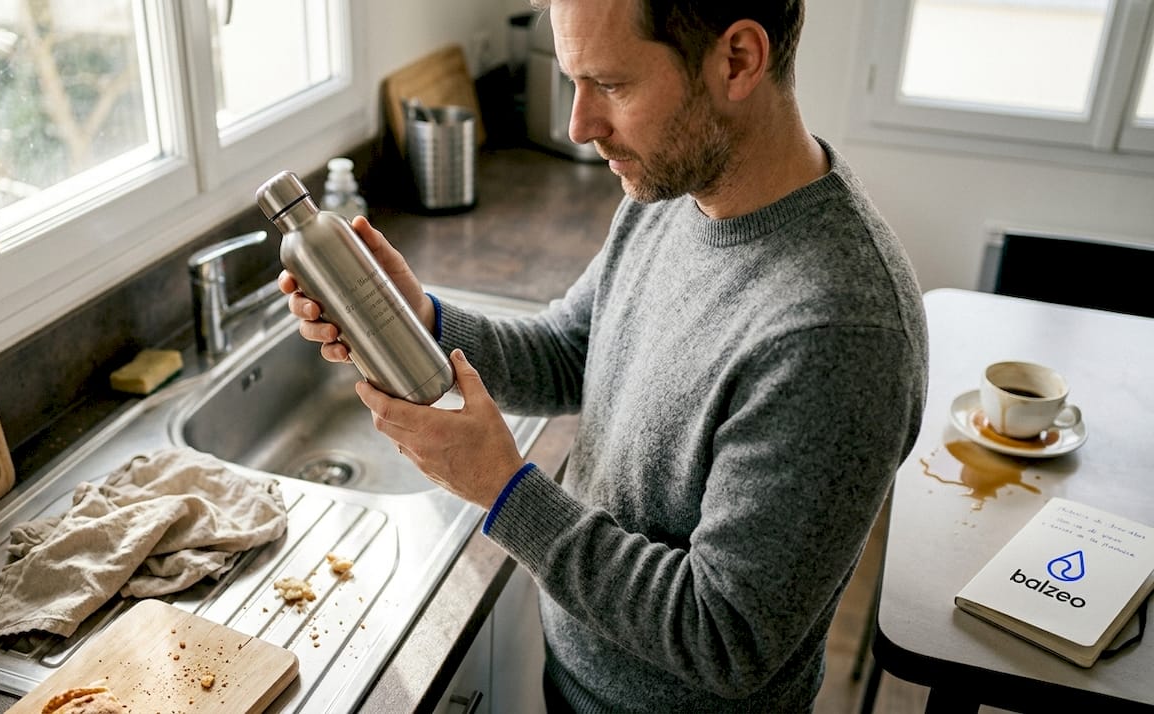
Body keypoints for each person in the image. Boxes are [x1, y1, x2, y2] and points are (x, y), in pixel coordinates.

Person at [278, 0, 928, 710]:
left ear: (737, 60)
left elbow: (726, 636)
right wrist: (417, 321)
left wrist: (504, 490)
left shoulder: (837, 333)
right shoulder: (674, 190)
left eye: (611, 86)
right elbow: (573, 349)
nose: (579, 126)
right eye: (574, 82)